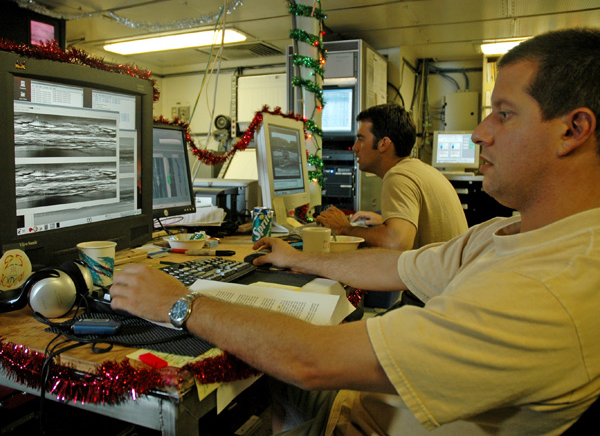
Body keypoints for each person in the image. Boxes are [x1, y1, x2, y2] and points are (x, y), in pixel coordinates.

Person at [110, 27, 600, 434]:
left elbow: (311, 360)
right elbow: (400, 263)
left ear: (573, 129)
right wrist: (295, 258)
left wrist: (178, 304)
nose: (479, 131)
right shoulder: (506, 234)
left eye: (504, 114)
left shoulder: (548, 288)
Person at [316, 103, 468, 251]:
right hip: (454, 272)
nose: (355, 147)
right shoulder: (423, 170)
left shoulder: (398, 176)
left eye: (361, 139)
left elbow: (396, 243)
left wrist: (344, 228)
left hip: (441, 276)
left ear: (384, 144)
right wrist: (385, 222)